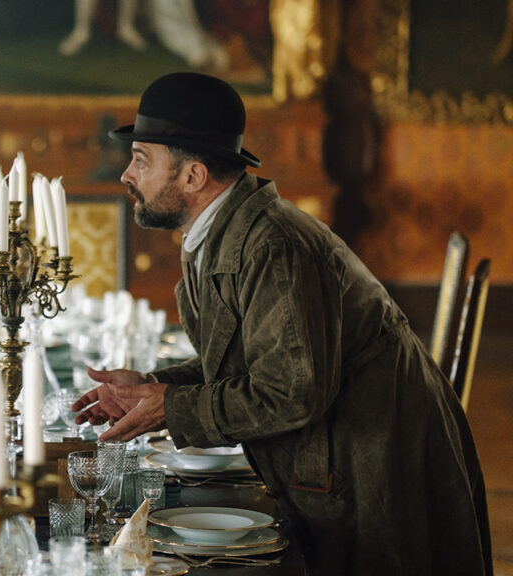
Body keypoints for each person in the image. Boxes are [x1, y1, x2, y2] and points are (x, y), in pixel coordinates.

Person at [73, 72, 491, 575]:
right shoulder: (219, 235)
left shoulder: (274, 246)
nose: (126, 174)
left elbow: (293, 390)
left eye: (142, 159)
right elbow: (249, 359)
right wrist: (155, 387)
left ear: (194, 176)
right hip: (347, 452)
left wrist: (172, 408)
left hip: (373, 464)